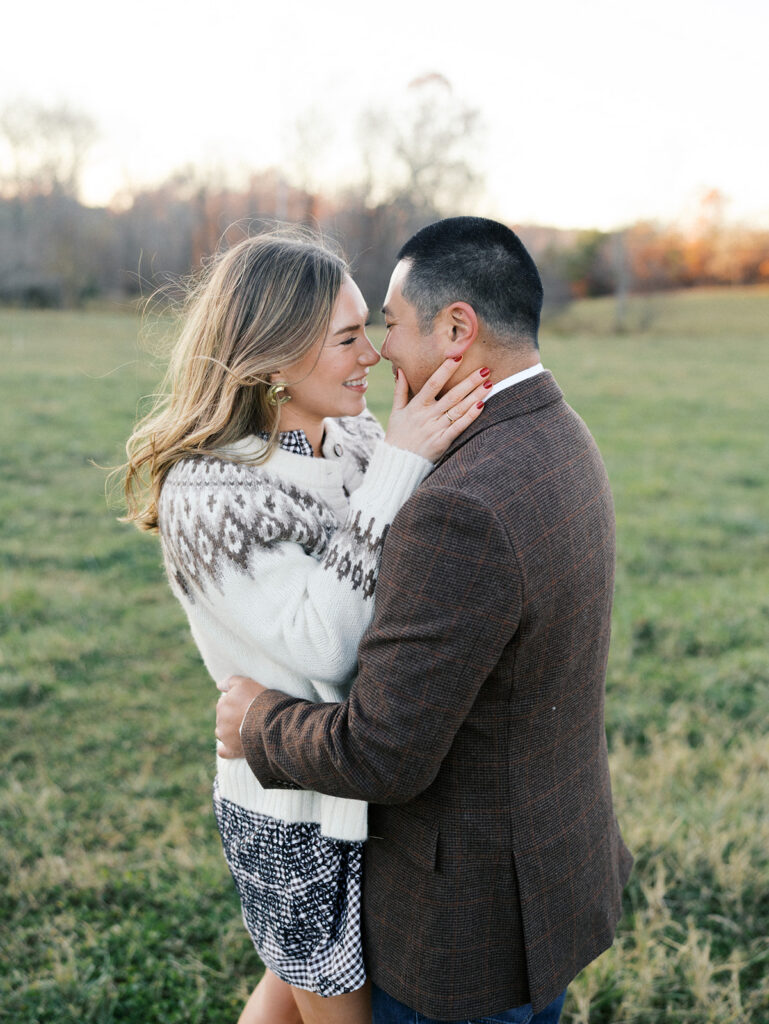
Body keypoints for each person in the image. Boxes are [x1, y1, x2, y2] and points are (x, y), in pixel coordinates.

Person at [216, 217, 634, 1024]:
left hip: (464, 931)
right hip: (547, 872)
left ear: (455, 329)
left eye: (390, 325)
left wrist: (257, 722)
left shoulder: (460, 507)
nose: (381, 352)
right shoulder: (558, 433)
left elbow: (381, 755)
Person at [121, 230, 491, 1024]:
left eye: (370, 329)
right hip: (293, 811)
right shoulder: (211, 491)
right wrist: (400, 465)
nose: (376, 355)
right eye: (348, 337)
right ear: (271, 360)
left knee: (287, 992)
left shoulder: (357, 439)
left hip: (365, 784)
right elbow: (325, 644)